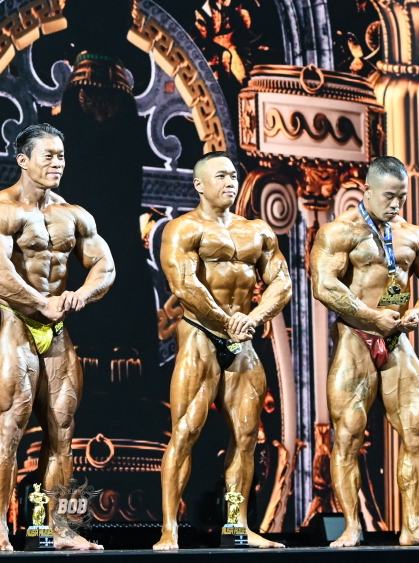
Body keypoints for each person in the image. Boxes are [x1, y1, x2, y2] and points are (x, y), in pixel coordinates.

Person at [0, 123, 115, 551]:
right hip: (15, 324)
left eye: (62, 156)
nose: (58, 163)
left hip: (57, 332)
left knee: (63, 433)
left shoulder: (74, 214)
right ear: (23, 160)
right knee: (9, 430)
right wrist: (40, 301)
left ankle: (61, 528)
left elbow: (105, 266)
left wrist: (80, 295)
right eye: (48, 156)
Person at [309, 155, 419, 548]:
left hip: (396, 340)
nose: (395, 204)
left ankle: (412, 526)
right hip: (356, 337)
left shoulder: (415, 235)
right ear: (367, 190)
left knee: (418, 429)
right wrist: (372, 316)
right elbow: (324, 285)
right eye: (389, 196)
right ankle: (352, 527)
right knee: (348, 435)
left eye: (401, 197)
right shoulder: (340, 232)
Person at [151, 151, 292, 551]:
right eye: (220, 176)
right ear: (199, 184)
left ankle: (238, 526)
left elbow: (281, 281)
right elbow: (184, 285)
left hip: (242, 337)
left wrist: (254, 317)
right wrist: (225, 319)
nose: (230, 182)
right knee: (186, 431)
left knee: (247, 437)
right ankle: (169, 530)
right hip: (200, 335)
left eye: (233, 175)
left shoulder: (257, 231)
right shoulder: (183, 228)